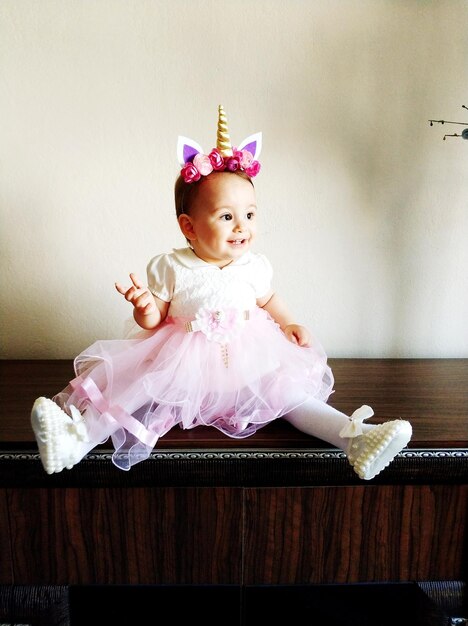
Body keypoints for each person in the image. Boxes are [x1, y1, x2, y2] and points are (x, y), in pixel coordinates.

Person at [31, 105, 412, 479]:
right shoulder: (172, 265)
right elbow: (155, 319)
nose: (241, 226)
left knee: (289, 395)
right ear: (190, 227)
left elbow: (267, 299)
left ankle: (355, 439)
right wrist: (144, 305)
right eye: (226, 216)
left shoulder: (255, 266)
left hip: (250, 362)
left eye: (249, 214)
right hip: (184, 369)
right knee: (134, 389)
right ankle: (76, 440)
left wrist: (289, 322)